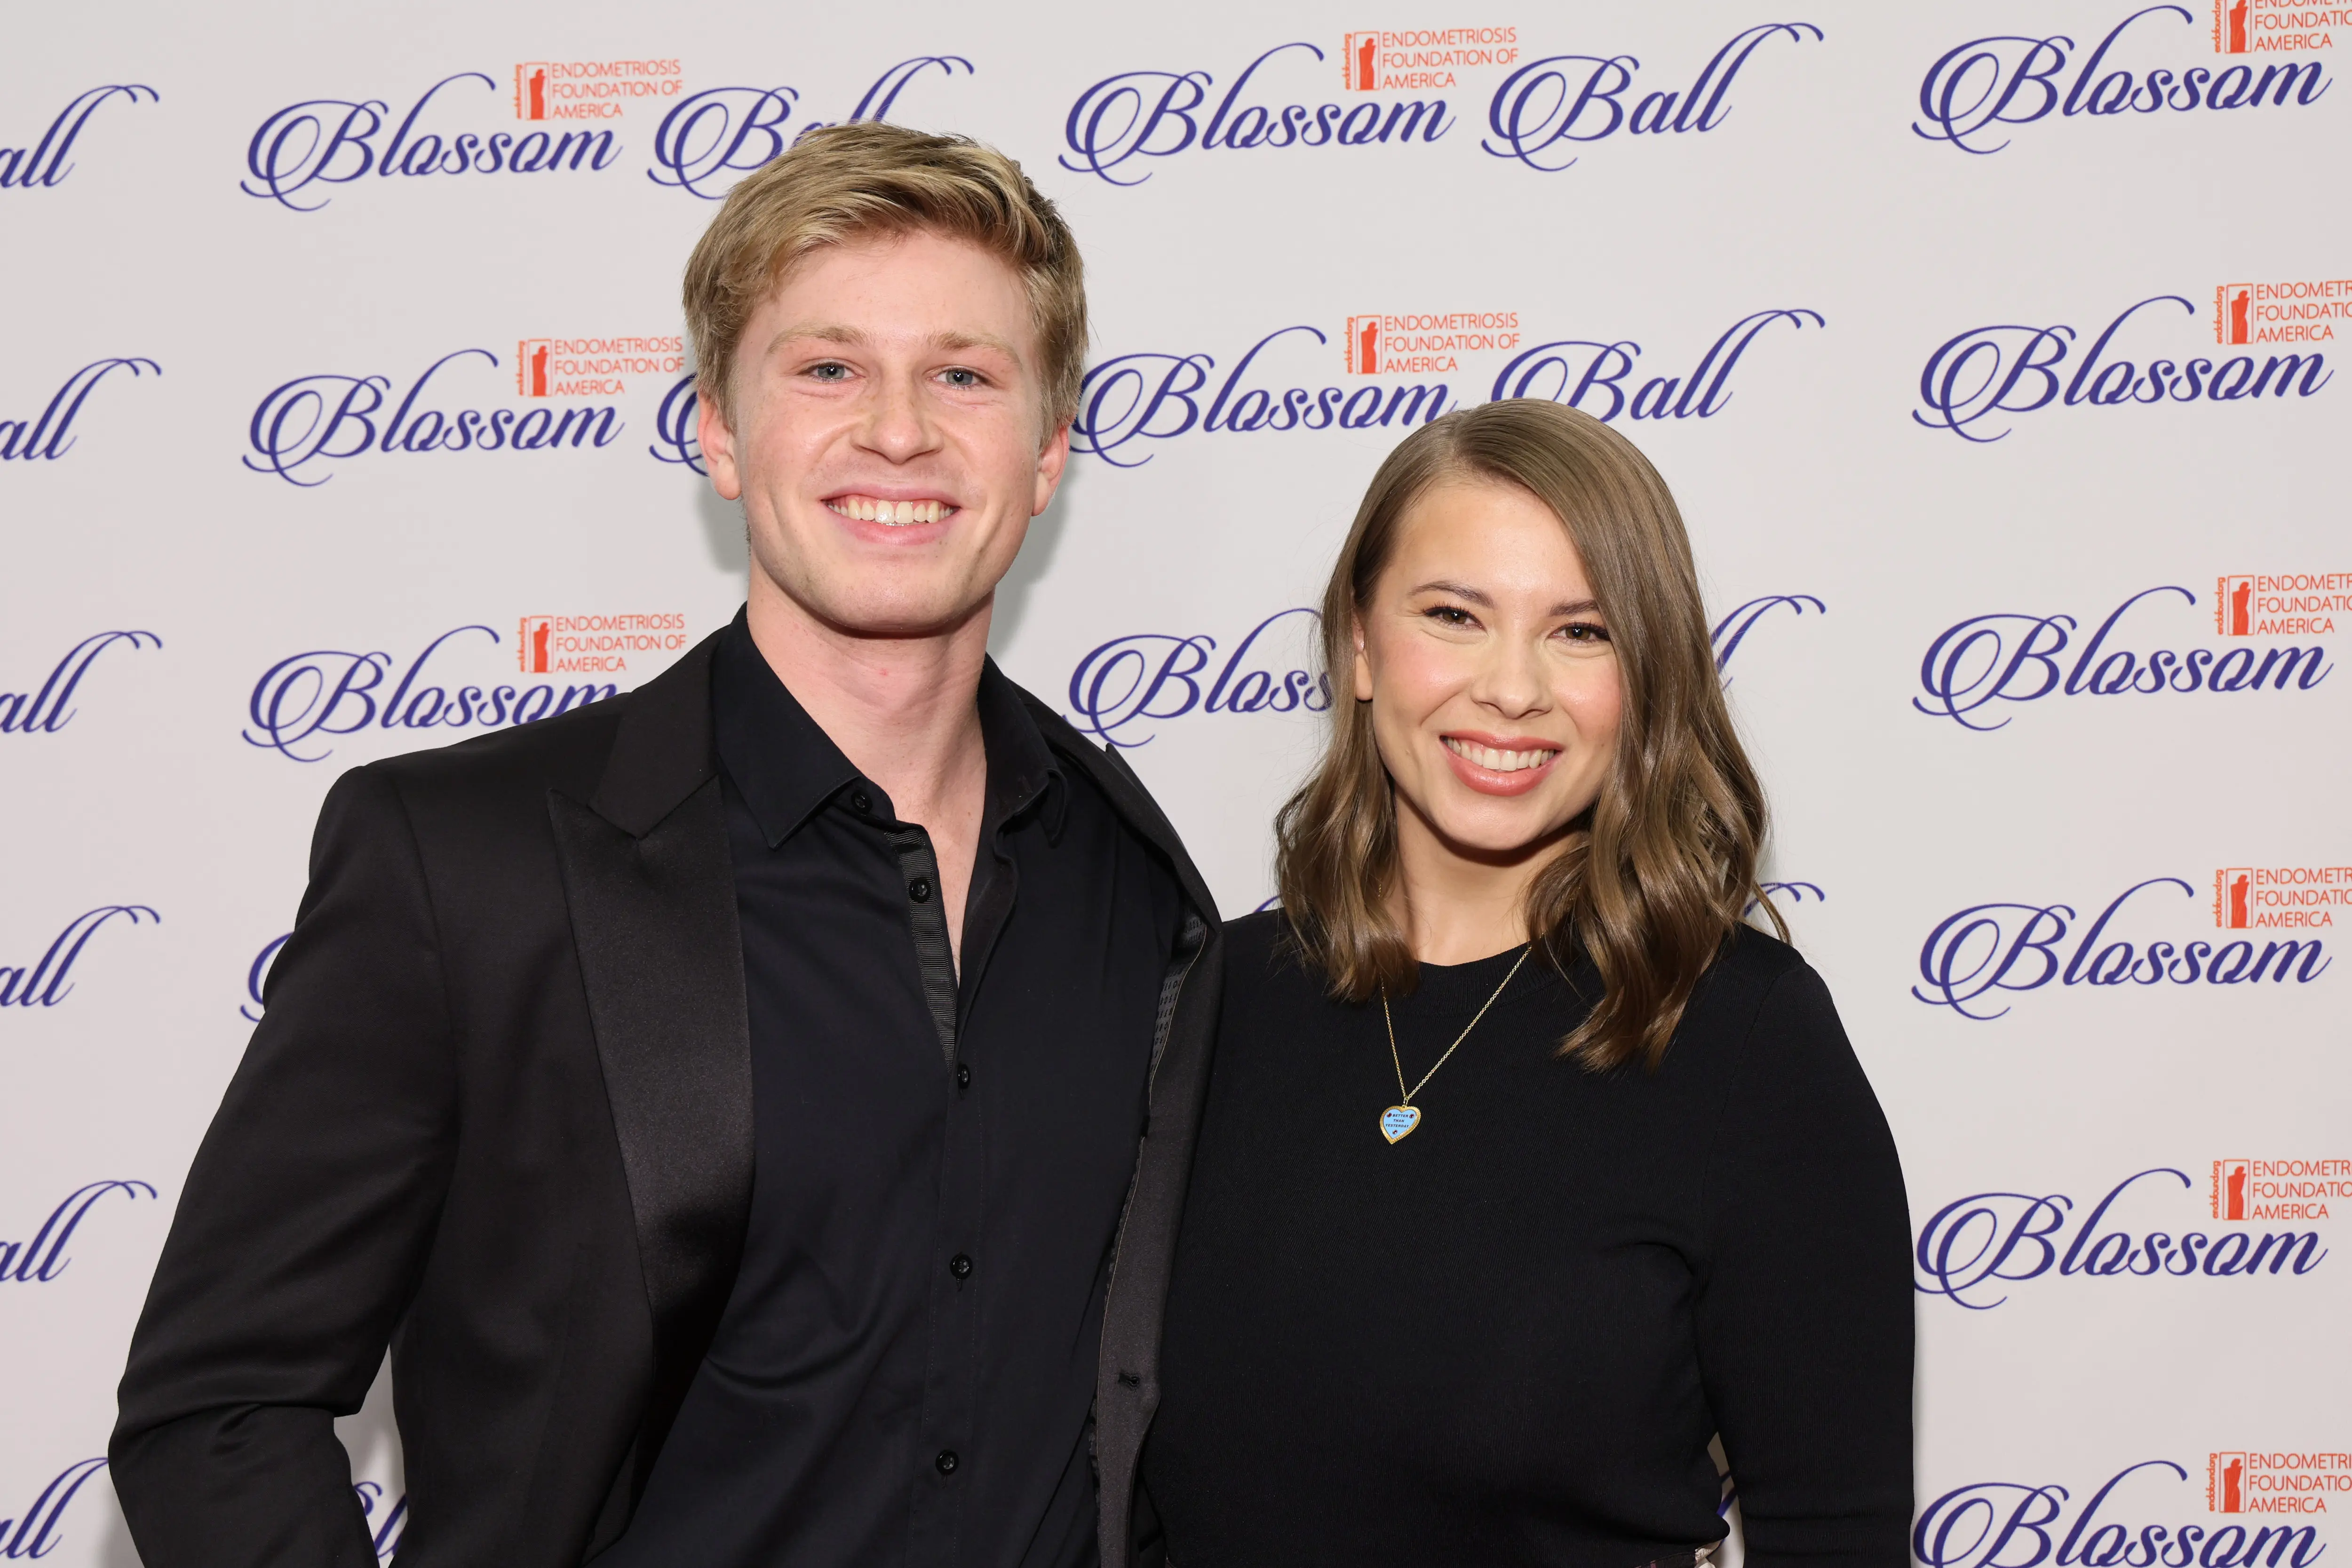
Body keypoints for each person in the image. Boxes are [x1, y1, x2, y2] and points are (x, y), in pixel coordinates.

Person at [111, 124, 1223, 1568]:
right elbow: (218, 1404)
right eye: (826, 369)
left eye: (965, 372)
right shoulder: (468, 862)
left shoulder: (1131, 875)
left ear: (1049, 450)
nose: (899, 428)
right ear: (717, 431)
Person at [1140, 400, 1913, 1567]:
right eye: (1454, 615)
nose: (1511, 689)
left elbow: (1835, 1538)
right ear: (1358, 643)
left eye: (1580, 632)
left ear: (1643, 678)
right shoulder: (1214, 1001)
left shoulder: (1744, 1037)